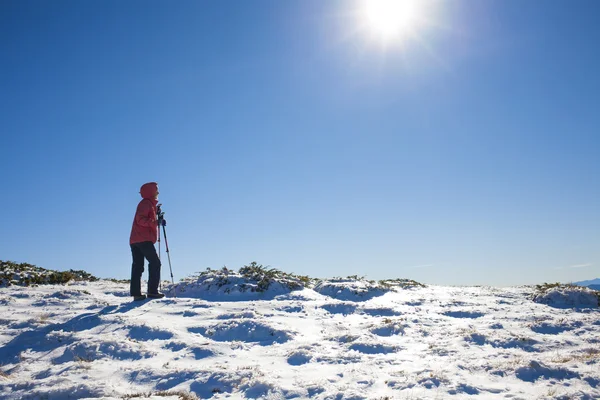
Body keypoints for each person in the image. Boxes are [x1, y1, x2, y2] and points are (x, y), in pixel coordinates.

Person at [129, 182, 165, 300]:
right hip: (143, 238)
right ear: (151, 192)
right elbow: (141, 219)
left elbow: (143, 218)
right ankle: (152, 291)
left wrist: (156, 214)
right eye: (156, 190)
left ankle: (136, 294)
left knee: (138, 266)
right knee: (155, 263)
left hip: (135, 239)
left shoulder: (148, 204)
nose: (158, 192)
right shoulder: (146, 203)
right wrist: (155, 222)